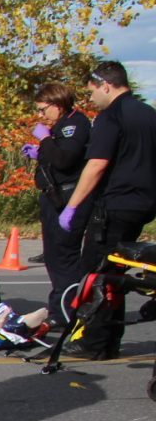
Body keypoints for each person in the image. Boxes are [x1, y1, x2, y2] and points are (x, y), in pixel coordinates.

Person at [58, 60, 156, 358]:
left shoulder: (110, 117)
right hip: (143, 204)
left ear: (106, 85)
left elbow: (97, 164)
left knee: (97, 273)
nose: (90, 99)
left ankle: (96, 342)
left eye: (92, 92)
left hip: (115, 204)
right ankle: (108, 338)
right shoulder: (149, 114)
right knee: (115, 271)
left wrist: (72, 206)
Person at [26, 82, 93, 321]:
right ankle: (60, 308)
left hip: (67, 197)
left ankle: (66, 310)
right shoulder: (62, 126)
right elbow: (57, 156)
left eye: (44, 109)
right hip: (53, 197)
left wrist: (45, 141)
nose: (41, 115)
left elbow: (65, 159)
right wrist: (39, 152)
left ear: (57, 104)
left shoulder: (74, 124)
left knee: (64, 256)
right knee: (53, 255)